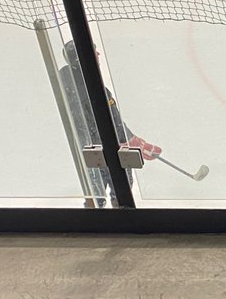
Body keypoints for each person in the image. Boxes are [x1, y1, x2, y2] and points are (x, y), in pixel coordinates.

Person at [57, 40, 162, 206]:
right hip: (102, 148)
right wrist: (130, 140)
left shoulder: (70, 80)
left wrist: (132, 139)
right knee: (119, 185)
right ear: (82, 59)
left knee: (95, 192)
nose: (98, 54)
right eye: (94, 51)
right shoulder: (91, 86)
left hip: (89, 149)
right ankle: (121, 216)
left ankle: (97, 216)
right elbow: (109, 119)